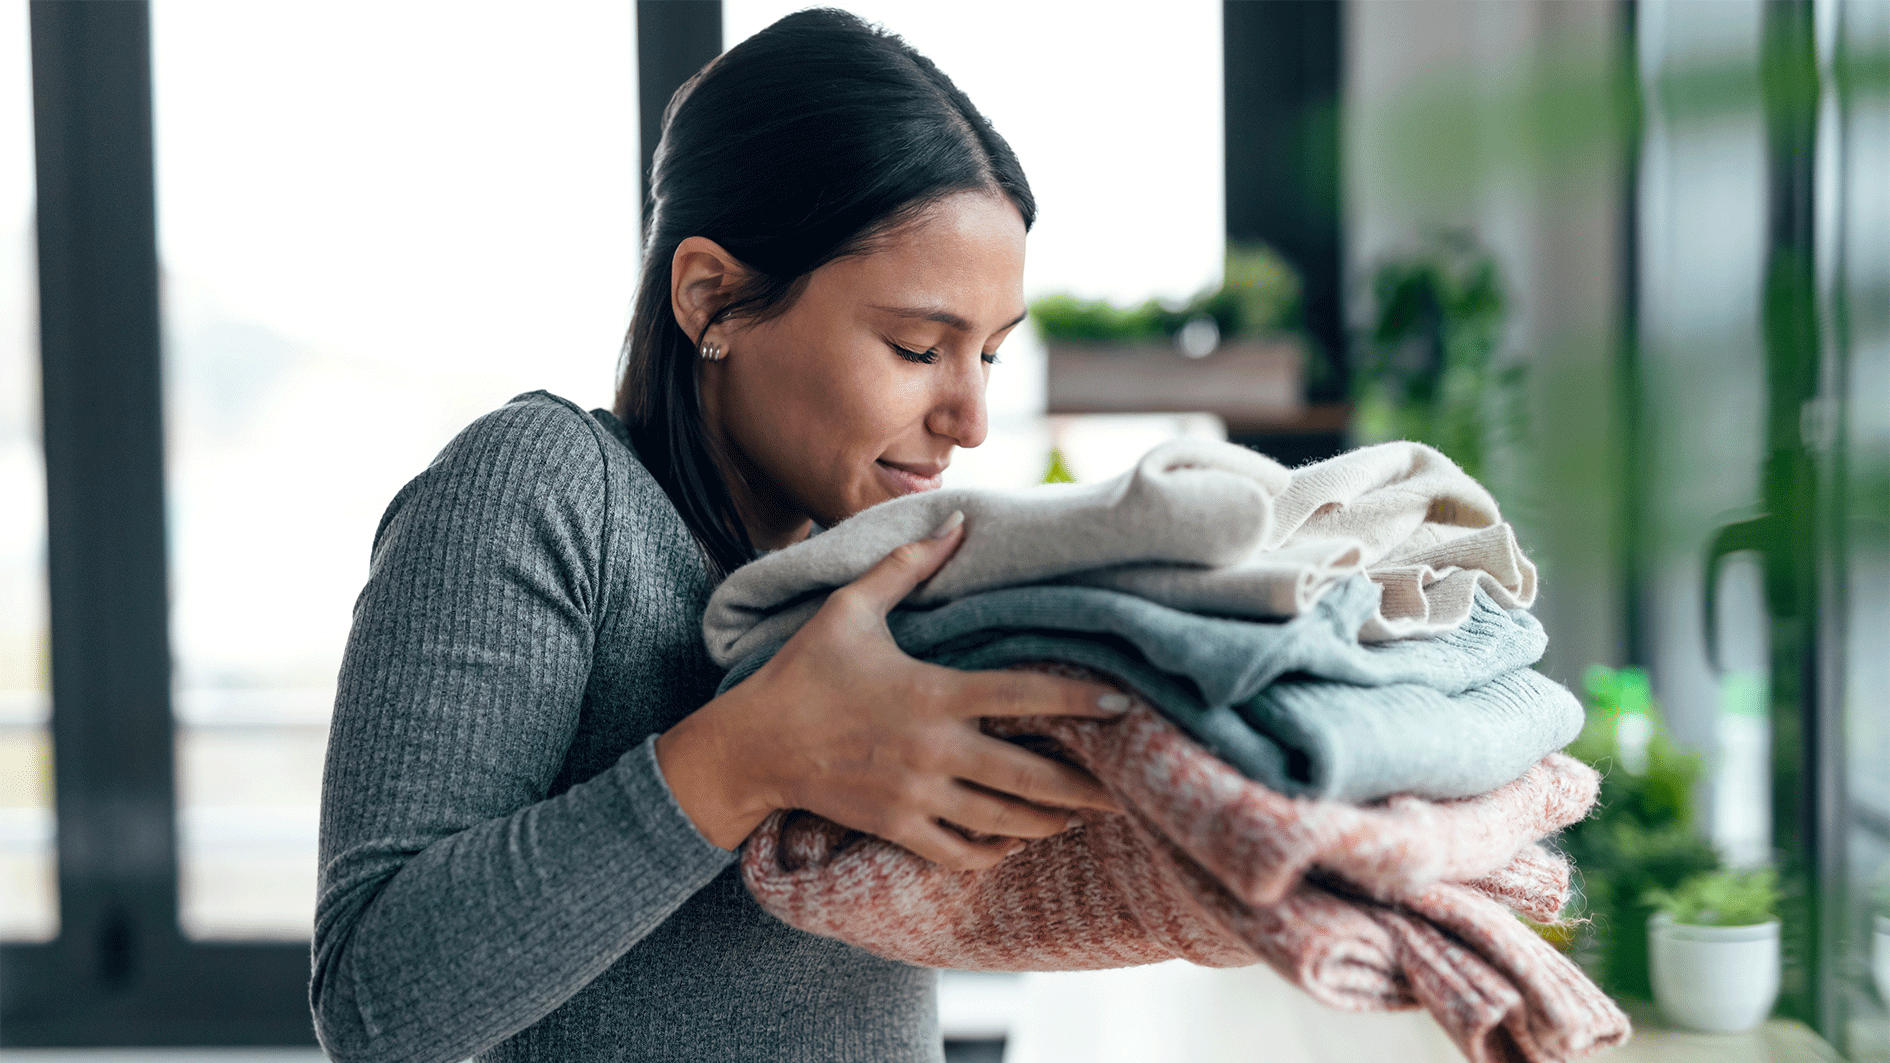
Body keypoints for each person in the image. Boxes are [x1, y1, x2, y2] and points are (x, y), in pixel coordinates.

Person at [311, 10, 1125, 1062]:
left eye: (990, 357)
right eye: (919, 346)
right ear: (713, 298)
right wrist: (749, 755)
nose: (968, 418)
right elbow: (378, 1007)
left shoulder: (877, 565)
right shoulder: (545, 490)